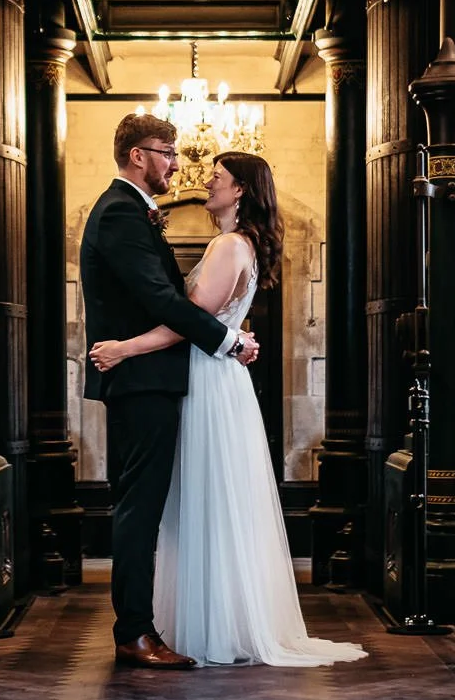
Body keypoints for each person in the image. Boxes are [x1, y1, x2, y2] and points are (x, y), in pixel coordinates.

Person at [91, 152, 368, 669]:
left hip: (207, 383)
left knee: (206, 501)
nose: (204, 181)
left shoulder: (227, 246)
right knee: (210, 502)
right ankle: (211, 620)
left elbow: (188, 320)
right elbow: (203, 320)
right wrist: (234, 338)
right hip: (215, 376)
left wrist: (124, 348)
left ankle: (213, 626)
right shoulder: (239, 245)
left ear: (240, 190)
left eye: (216, 178)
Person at [80, 115, 260, 670]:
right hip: (142, 382)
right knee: (140, 507)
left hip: (152, 378)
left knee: (147, 505)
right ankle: (133, 633)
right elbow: (162, 298)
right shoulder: (119, 214)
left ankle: (141, 627)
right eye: (168, 152)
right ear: (138, 156)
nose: (179, 165)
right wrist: (227, 340)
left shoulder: (133, 213)